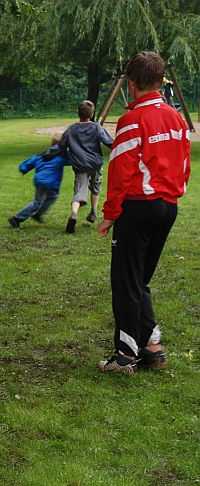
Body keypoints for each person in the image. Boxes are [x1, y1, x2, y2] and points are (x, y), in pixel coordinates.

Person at [97, 51, 191, 374]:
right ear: (161, 82)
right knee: (140, 278)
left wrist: (110, 213)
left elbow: (120, 171)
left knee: (126, 281)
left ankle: (125, 355)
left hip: (138, 208)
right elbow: (184, 164)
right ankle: (153, 347)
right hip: (168, 207)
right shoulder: (176, 118)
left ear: (131, 84)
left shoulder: (132, 120)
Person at [61, 100, 114, 233]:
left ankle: (74, 213)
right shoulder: (96, 127)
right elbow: (109, 142)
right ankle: (94, 211)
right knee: (96, 186)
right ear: (91, 114)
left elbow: (61, 145)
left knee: (79, 191)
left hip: (80, 166)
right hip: (96, 164)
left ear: (77, 113)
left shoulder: (71, 129)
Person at [8, 135, 71, 228]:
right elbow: (73, 161)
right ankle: (17, 218)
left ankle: (36, 214)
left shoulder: (43, 154)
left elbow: (30, 161)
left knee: (48, 198)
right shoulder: (61, 157)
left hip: (38, 180)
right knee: (41, 201)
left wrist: (23, 168)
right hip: (49, 182)